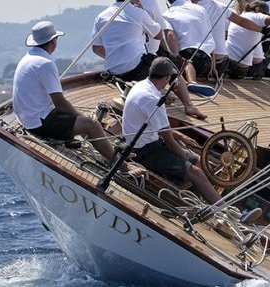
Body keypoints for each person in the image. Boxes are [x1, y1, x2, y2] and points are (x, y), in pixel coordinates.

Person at [13, 21, 145, 176]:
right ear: (53, 41)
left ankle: (108, 152)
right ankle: (122, 166)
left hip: (28, 118)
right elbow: (60, 104)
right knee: (91, 123)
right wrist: (88, 120)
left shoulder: (28, 58)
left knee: (80, 120)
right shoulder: (45, 63)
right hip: (39, 123)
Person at [121, 57, 220, 204]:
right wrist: (185, 157)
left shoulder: (141, 86)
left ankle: (198, 199)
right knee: (197, 172)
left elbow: (159, 128)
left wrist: (182, 137)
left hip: (144, 142)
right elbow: (169, 140)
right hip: (144, 151)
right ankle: (224, 211)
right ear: (167, 78)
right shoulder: (154, 100)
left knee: (199, 161)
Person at [92, 0, 207, 119]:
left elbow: (96, 48)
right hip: (137, 70)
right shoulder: (137, 13)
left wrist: (116, 57)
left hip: (114, 72)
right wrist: (142, 11)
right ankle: (189, 106)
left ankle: (161, 93)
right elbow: (158, 35)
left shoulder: (101, 17)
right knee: (167, 65)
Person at [225, 0, 270, 79]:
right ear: (257, 9)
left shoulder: (239, 17)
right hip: (240, 70)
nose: (265, 15)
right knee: (259, 66)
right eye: (265, 13)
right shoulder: (257, 16)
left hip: (226, 60)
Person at [163, 0, 217, 94]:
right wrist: (214, 68)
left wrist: (176, 57)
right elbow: (209, 34)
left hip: (187, 57)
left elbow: (170, 35)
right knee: (190, 59)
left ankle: (192, 82)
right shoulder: (201, 9)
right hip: (206, 62)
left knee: (185, 61)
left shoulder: (166, 14)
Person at [197, 0, 232, 78]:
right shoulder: (222, 6)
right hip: (219, 63)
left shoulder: (191, 8)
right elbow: (241, 21)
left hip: (199, 63)